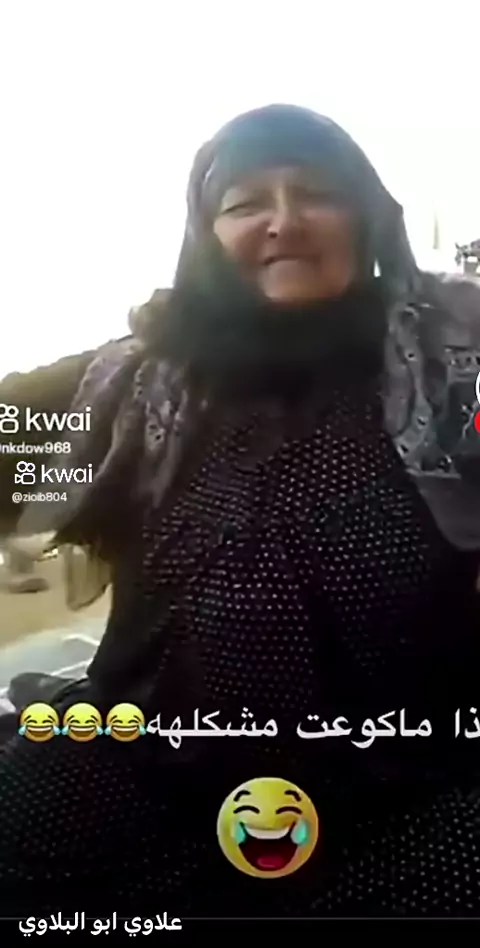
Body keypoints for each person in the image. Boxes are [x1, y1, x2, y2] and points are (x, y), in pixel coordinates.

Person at [1, 103, 480, 919]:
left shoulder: (451, 364)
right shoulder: (131, 375)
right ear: (206, 233)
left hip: (399, 785)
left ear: (366, 217)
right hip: (148, 764)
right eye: (246, 203)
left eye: (316, 194)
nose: (284, 222)